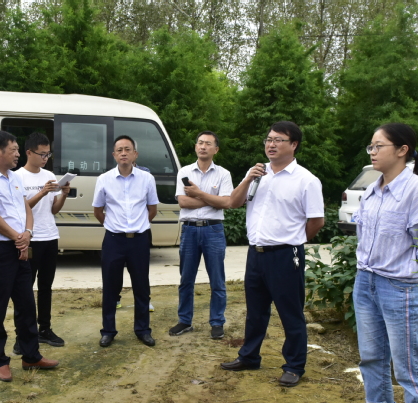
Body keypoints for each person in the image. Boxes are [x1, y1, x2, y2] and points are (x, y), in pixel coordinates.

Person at [338, 123, 418, 403]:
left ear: (402, 150)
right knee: (371, 355)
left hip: (400, 287)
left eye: (378, 146)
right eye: (370, 146)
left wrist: (416, 266)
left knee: (408, 363)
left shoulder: (417, 189)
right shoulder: (373, 188)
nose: (372, 152)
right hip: (366, 281)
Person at [219, 121, 324, 388]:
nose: (271, 144)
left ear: (294, 144)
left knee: (290, 312)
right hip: (256, 253)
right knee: (255, 311)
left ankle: (294, 366)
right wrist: (248, 179)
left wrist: (294, 241)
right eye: (268, 139)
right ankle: (249, 356)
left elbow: (316, 221)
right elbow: (233, 202)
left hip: (285, 255)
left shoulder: (306, 180)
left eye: (278, 140)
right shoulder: (257, 174)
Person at [0, 130, 59, 383]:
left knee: (26, 304)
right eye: (14, 149)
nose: (18, 154)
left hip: (20, 247)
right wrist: (16, 237)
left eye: (18, 149)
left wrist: (27, 233)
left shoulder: (14, 177)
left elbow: (25, 207)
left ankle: (31, 355)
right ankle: (0, 360)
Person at [92, 135, 159, 348]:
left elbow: (152, 209)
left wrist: (138, 225)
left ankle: (143, 330)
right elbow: (98, 210)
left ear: (135, 154)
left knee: (141, 286)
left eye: (127, 149)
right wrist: (113, 226)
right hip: (114, 240)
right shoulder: (104, 179)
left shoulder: (147, 179)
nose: (123, 153)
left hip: (139, 241)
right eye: (119, 150)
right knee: (110, 287)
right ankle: (108, 331)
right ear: (114, 155)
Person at [170, 131, 233, 339]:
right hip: (189, 229)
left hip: (213, 229)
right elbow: (183, 202)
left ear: (216, 149)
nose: (203, 146)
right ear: (196, 146)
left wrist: (198, 194)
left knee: (217, 279)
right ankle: (184, 320)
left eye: (208, 143)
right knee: (186, 279)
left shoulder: (223, 174)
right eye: (200, 143)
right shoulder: (185, 172)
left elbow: (227, 202)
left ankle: (217, 322)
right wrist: (212, 200)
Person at [13, 132, 70, 353]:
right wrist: (42, 192)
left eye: (48, 154)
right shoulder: (17, 177)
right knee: (24, 289)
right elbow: (21, 208)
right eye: (42, 154)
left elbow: (53, 210)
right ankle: (22, 335)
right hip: (31, 239)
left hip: (50, 237)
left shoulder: (49, 175)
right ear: (29, 152)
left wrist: (63, 194)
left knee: (46, 286)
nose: (46, 158)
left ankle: (44, 329)